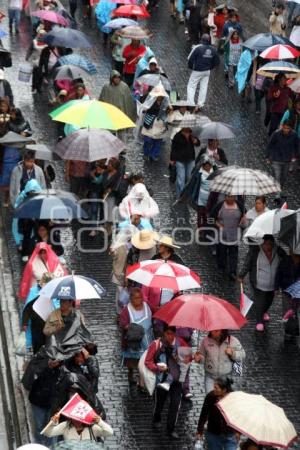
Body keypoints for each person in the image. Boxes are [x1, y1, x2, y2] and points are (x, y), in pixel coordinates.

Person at [145, 325, 189, 440]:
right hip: (162, 380)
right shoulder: (156, 344)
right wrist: (158, 368)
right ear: (163, 333)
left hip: (177, 380)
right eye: (167, 333)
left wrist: (186, 358)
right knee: (159, 403)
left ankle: (171, 429)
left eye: (172, 334)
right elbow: (148, 361)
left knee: (175, 405)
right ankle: (156, 418)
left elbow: (188, 360)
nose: (170, 336)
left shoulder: (181, 343)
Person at [238, 235, 286, 331]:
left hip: (273, 283)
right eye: (266, 244)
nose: (268, 247)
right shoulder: (255, 250)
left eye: (270, 244)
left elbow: (286, 260)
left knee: (269, 300)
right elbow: (247, 263)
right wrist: (241, 275)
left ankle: (264, 312)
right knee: (260, 301)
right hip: (258, 282)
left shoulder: (278, 251)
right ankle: (259, 321)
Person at [119, 287, 154, 384]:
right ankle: (130, 373)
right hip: (134, 340)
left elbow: (155, 313)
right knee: (132, 360)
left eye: (140, 298)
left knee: (144, 360)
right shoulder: (126, 310)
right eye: (136, 298)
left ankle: (141, 380)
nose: (138, 300)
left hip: (147, 339)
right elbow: (123, 323)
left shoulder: (147, 306)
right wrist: (132, 329)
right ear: (131, 299)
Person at [196, 377, 238, 450]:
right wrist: (200, 430)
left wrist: (238, 432)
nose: (214, 389)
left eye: (216, 388)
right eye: (214, 387)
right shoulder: (211, 396)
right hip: (213, 434)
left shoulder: (233, 398)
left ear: (224, 390)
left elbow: (239, 416)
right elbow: (204, 414)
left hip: (230, 435)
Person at [211, 195, 245, 280]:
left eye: (232, 197)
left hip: (234, 235)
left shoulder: (240, 206)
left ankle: (232, 272)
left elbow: (244, 217)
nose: (231, 198)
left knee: (233, 254)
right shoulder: (219, 206)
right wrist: (219, 226)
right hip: (223, 236)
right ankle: (222, 267)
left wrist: (243, 221)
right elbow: (211, 218)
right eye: (229, 197)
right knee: (222, 253)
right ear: (225, 197)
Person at [187, 34, 220, 109]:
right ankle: (200, 104)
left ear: (201, 40)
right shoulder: (213, 49)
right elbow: (217, 62)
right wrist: (210, 67)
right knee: (204, 87)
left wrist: (192, 67)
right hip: (207, 71)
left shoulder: (197, 48)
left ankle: (191, 104)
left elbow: (190, 60)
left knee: (191, 86)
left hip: (197, 70)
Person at [266, 120, 299, 189]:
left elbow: (297, 146)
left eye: (288, 128)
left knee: (284, 177)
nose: (286, 130)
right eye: (285, 128)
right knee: (277, 176)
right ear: (282, 127)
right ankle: (278, 193)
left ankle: (280, 188)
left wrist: (295, 156)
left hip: (287, 159)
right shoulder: (276, 134)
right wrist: (268, 156)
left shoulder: (294, 135)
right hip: (276, 159)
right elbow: (270, 145)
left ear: (290, 128)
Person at [141, 88, 170, 162]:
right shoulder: (151, 101)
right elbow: (144, 108)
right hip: (150, 123)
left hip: (160, 124)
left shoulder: (165, 103)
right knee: (148, 140)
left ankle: (153, 155)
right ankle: (146, 153)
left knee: (158, 141)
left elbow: (167, 113)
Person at [41, 411, 113, 440]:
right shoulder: (65, 426)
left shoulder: (92, 428)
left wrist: (100, 422)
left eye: (79, 419)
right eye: (74, 418)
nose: (77, 421)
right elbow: (48, 433)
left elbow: (109, 432)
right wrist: (53, 422)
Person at [170, 127, 200, 198]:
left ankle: (186, 195)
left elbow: (198, 143)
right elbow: (174, 148)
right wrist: (172, 159)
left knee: (189, 178)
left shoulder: (192, 134)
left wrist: (195, 141)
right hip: (180, 160)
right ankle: (180, 196)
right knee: (181, 179)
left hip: (190, 160)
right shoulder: (177, 136)